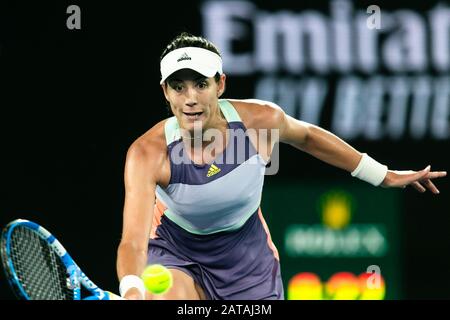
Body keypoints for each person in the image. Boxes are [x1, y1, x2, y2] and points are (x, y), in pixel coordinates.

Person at [116, 32, 447, 300]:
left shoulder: (260, 121)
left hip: (246, 254)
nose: (190, 98)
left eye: (201, 84)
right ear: (165, 92)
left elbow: (308, 137)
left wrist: (383, 175)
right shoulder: (148, 154)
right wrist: (131, 290)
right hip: (176, 248)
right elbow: (133, 241)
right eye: (178, 87)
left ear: (220, 85)